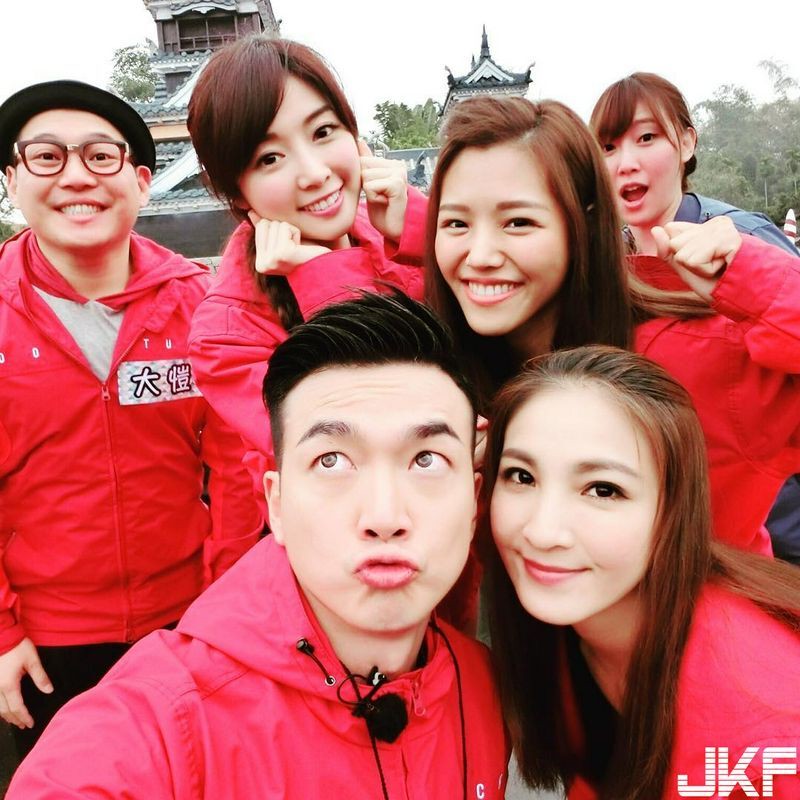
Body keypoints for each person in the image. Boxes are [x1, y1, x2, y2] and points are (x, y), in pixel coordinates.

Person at [8, 291, 510, 800]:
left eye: (426, 460)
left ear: (474, 499)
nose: (384, 518)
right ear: (276, 503)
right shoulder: (167, 719)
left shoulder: (487, 687)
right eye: (331, 461)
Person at [0, 80, 261, 759]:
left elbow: (237, 468)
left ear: (142, 182)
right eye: (47, 157)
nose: (76, 177)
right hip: (42, 644)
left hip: (186, 621)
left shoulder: (201, 304)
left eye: (101, 156)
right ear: (12, 181)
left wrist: (225, 608)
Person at [426, 95, 800, 555]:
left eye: (518, 222)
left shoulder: (691, 360)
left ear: (584, 225)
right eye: (456, 223)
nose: (480, 256)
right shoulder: (449, 378)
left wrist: (757, 279)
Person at [485, 345, 800, 800]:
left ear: (672, 511)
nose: (542, 531)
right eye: (521, 476)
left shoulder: (761, 743)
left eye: (603, 490)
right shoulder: (578, 618)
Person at [186, 36, 426, 505]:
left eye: (323, 132)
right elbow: (369, 434)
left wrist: (418, 231)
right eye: (270, 158)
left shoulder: (401, 235)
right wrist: (324, 278)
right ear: (237, 193)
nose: (314, 172)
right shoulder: (225, 337)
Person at [590, 71, 800, 560]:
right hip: (656, 534)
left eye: (647, 138)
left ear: (687, 142)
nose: (626, 162)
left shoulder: (740, 239)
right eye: (608, 147)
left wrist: (744, 271)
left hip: (768, 526)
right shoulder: (606, 263)